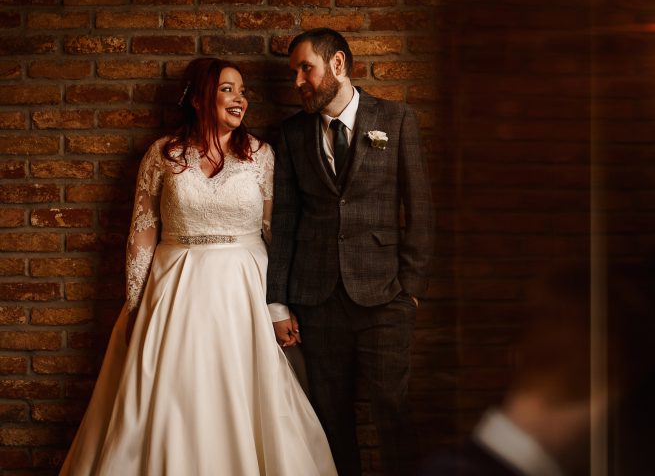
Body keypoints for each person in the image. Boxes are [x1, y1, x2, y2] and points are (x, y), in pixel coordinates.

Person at [60, 58, 336, 475]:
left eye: (243, 91)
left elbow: (276, 234)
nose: (239, 98)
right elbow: (142, 233)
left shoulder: (261, 155)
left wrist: (280, 305)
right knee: (174, 395)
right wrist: (136, 306)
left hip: (244, 291)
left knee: (249, 393)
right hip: (175, 291)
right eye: (228, 89)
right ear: (200, 97)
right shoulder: (163, 154)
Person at [266, 28, 434, 476]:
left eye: (306, 68)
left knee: (391, 409)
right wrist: (278, 301)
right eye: (293, 73)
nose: (298, 81)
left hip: (385, 297)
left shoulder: (396, 120)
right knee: (331, 419)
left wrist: (410, 291)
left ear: (337, 65)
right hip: (317, 300)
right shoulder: (292, 134)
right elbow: (284, 221)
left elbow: (419, 209)